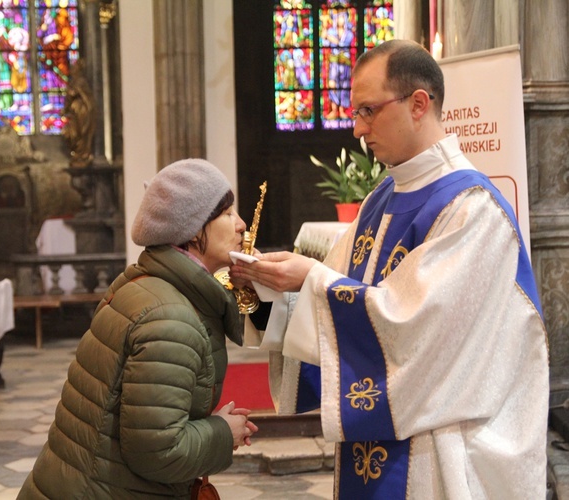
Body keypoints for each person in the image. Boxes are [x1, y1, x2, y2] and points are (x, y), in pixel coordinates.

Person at [231, 39, 549, 499]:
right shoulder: (382, 197)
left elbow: (417, 328)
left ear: (419, 103)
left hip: (439, 452)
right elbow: (334, 295)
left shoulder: (471, 209)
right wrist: (271, 294)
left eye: (368, 111)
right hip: (384, 442)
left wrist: (310, 279)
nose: (357, 129)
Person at [18, 158, 258, 498]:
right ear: (192, 228)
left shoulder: (147, 285)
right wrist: (223, 432)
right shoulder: (171, 318)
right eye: (228, 213)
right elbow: (157, 451)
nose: (241, 225)